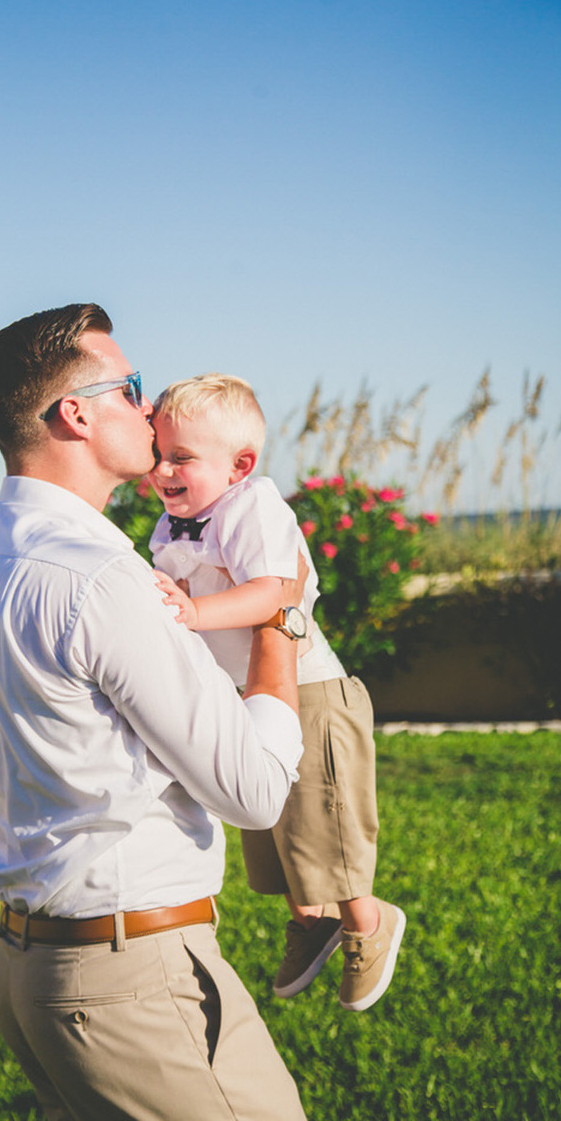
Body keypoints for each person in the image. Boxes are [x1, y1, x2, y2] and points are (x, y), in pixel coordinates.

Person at [0, 305, 311, 1121]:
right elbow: (253, 792)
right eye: (131, 388)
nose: (150, 406)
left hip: (29, 972)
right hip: (128, 980)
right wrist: (282, 619)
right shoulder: (101, 579)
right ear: (76, 413)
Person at [148, 373, 405, 1011]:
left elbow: (271, 593)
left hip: (310, 689)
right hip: (245, 693)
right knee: (271, 828)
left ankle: (368, 921)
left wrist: (192, 613)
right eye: (157, 454)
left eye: (181, 457)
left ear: (239, 465)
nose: (162, 470)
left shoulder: (252, 506)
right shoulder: (173, 525)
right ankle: (312, 919)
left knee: (323, 823)